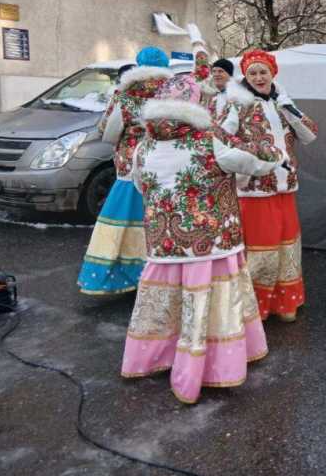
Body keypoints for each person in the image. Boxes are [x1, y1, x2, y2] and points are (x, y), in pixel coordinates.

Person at [122, 97, 281, 404]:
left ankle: (150, 358)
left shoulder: (144, 147)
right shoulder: (210, 141)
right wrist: (269, 150)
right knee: (212, 303)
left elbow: (141, 186)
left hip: (163, 242)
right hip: (212, 242)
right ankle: (205, 368)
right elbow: (257, 163)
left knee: (163, 301)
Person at [219, 50, 318, 323]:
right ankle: (255, 306)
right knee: (262, 250)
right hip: (255, 189)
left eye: (263, 72)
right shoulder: (237, 105)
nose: (259, 78)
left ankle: (285, 301)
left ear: (273, 73)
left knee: (287, 246)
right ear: (246, 76)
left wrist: (288, 107)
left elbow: (310, 135)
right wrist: (254, 159)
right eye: (253, 73)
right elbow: (220, 140)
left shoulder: (282, 103)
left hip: (286, 188)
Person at [77, 48, 171, 295]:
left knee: (124, 219)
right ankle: (164, 274)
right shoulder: (173, 91)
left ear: (138, 65)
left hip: (131, 165)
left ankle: (122, 275)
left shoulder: (127, 92)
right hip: (164, 163)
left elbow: (108, 130)